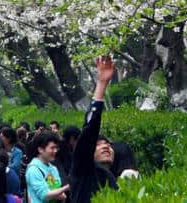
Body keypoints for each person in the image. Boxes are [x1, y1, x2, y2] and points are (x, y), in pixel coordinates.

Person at [68, 56, 118, 203]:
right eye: (99, 144)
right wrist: (101, 84)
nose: (106, 146)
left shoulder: (111, 178)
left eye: (108, 144)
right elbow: (90, 131)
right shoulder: (83, 170)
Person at [25, 132, 68, 203]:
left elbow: (57, 190)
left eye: (56, 147)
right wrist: (66, 188)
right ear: (40, 149)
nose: (55, 151)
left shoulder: (53, 168)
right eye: (52, 148)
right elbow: (44, 195)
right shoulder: (33, 169)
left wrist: (60, 194)